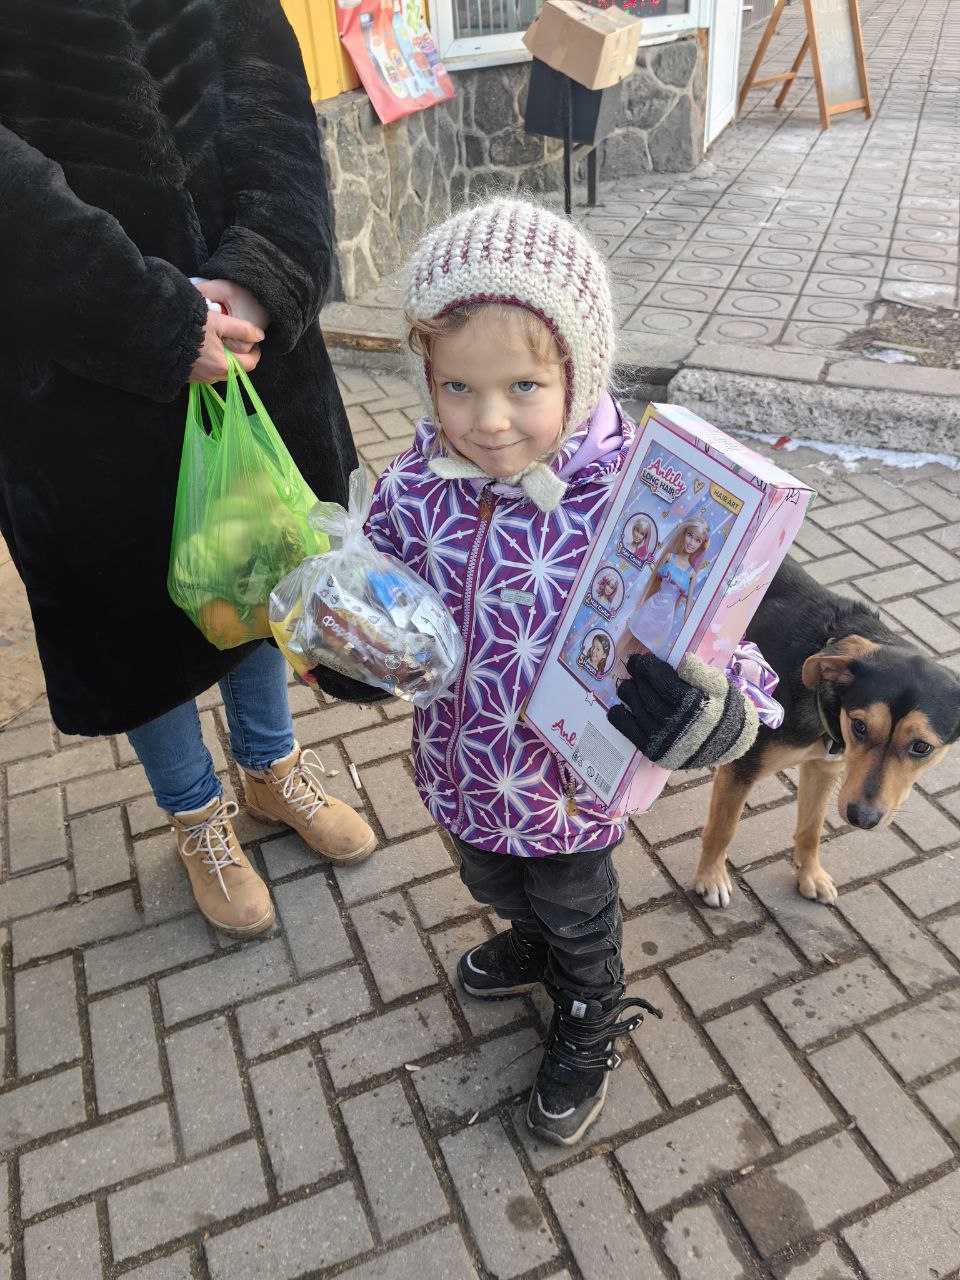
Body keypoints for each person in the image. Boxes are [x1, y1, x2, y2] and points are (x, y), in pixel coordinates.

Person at [310, 199, 767, 1146]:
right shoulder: (416, 482)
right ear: (427, 378)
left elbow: (736, 659)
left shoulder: (642, 503)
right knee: (491, 878)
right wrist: (354, 648)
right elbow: (381, 580)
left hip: (565, 795)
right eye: (456, 388)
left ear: (579, 370)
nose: (487, 422)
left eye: (524, 385)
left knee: (576, 908)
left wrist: (712, 717)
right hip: (462, 765)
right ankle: (530, 943)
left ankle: (589, 1011)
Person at [0, 0, 376, 940]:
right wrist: (154, 320)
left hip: (252, 352)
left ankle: (270, 768)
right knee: (132, 618)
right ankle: (198, 816)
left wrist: (259, 276)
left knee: (258, 567)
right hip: (71, 380)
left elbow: (272, 104)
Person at [614, 516, 710, 674]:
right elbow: (652, 581)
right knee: (628, 636)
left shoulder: (691, 574)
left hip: (665, 620)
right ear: (684, 534)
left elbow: (688, 605)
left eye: (697, 540)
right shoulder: (669, 558)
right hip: (651, 607)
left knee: (644, 655)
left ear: (701, 545)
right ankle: (609, 665)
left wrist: (688, 630)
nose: (691, 542)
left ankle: (626, 680)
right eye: (690, 535)